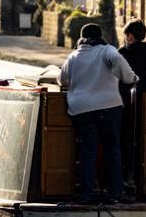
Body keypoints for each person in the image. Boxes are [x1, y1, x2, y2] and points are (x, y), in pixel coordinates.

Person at [58, 23, 137, 203]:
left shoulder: (73, 56)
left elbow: (62, 80)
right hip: (109, 107)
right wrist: (131, 77)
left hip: (82, 109)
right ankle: (114, 192)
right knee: (112, 150)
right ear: (100, 36)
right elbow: (117, 60)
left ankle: (87, 192)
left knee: (88, 151)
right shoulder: (105, 50)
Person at [118, 19, 146, 194]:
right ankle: (142, 178)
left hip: (122, 103)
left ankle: (123, 178)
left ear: (129, 36)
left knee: (124, 140)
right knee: (143, 139)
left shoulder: (121, 53)